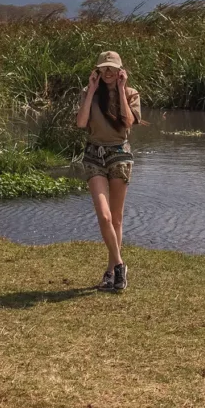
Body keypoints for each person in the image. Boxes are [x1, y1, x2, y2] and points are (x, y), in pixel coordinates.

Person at [75, 50, 142, 292]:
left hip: (119, 155)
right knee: (104, 217)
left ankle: (111, 270)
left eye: (112, 68)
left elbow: (128, 123)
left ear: (120, 71)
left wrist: (122, 90)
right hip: (94, 154)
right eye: (104, 68)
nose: (108, 72)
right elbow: (81, 123)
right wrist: (91, 90)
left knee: (116, 218)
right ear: (98, 70)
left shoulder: (131, 93)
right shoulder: (88, 92)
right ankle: (120, 266)